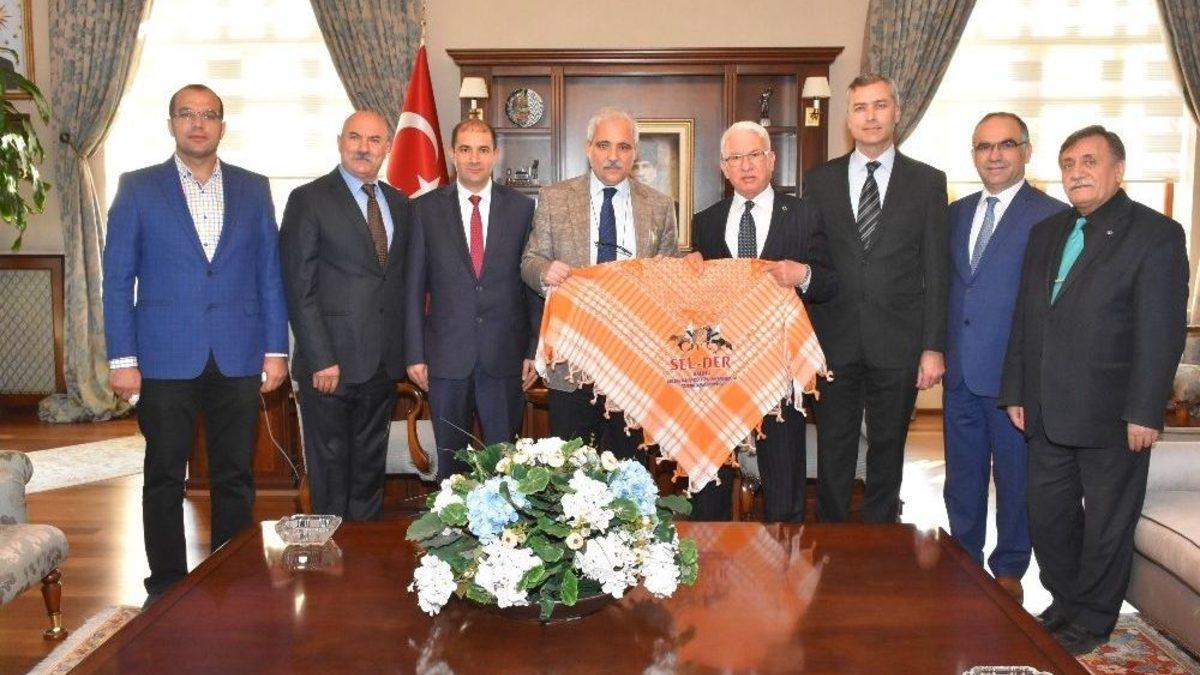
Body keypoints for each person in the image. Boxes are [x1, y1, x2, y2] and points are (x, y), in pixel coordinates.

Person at [1000, 125, 1188, 655]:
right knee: (1048, 518)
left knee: (1107, 524)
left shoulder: (1155, 234)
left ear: (1118, 170)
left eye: (1089, 161)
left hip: (1114, 416)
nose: (1076, 173)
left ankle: (1093, 618)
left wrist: (1145, 411)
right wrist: (1016, 391)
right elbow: (1026, 320)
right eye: (1068, 164)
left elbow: (1162, 332)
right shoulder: (1047, 232)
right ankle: (1065, 603)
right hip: (1044, 410)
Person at [103, 84, 289, 600]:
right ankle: (166, 586)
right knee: (164, 475)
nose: (198, 123)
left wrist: (276, 350)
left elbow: (269, 275)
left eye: (208, 114)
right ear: (171, 124)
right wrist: (122, 358)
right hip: (163, 356)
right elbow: (117, 281)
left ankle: (230, 576)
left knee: (235, 475)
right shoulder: (137, 187)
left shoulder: (253, 188)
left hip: (238, 354)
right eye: (187, 113)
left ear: (222, 126)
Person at [803, 73, 949, 523]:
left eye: (880, 105)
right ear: (848, 118)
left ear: (897, 113)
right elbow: (812, 263)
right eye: (860, 107)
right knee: (834, 448)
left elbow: (936, 270)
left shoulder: (927, 182)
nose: (870, 116)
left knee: (888, 449)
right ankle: (831, 542)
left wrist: (933, 347)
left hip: (898, 342)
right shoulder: (820, 180)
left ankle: (881, 541)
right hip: (833, 341)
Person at [943, 112, 1067, 601]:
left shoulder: (1053, 216)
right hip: (959, 373)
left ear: (1027, 151)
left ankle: (1010, 567)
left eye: (1006, 145)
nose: (994, 155)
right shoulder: (956, 213)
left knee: (1016, 479)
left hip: (1015, 379)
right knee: (962, 478)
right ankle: (962, 561)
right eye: (983, 147)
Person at [688, 121, 837, 522]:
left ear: (771, 160)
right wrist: (689, 272)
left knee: (784, 487)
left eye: (754, 154)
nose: (746, 165)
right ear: (724, 168)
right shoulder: (706, 222)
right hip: (718, 372)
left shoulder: (805, 215)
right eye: (735, 158)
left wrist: (803, 274)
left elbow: (830, 283)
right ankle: (710, 552)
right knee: (711, 482)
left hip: (780, 370)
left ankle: (784, 557)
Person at [520, 107, 679, 458]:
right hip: (571, 360)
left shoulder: (659, 206)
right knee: (572, 468)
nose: (613, 156)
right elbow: (529, 262)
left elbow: (669, 277)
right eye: (604, 145)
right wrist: (544, 272)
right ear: (588, 148)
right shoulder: (555, 198)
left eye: (623, 147)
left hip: (636, 366)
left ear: (634, 153)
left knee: (631, 470)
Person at [279, 111, 409, 521]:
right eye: (355, 137)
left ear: (387, 147)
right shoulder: (309, 199)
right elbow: (298, 286)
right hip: (330, 365)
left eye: (374, 140)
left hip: (381, 363)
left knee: (369, 468)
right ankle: (329, 551)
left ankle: (362, 551)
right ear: (340, 142)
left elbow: (396, 282)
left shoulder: (399, 203)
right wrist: (320, 357)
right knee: (331, 470)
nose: (364, 148)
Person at [405, 119, 540, 479]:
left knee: (506, 469)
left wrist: (534, 348)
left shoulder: (522, 209)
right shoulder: (424, 209)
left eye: (483, 150)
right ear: (452, 154)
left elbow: (532, 285)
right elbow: (413, 288)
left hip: (505, 358)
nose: (474, 159)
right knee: (452, 469)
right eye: (465, 149)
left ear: (496, 154)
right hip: (446, 359)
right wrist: (414, 353)